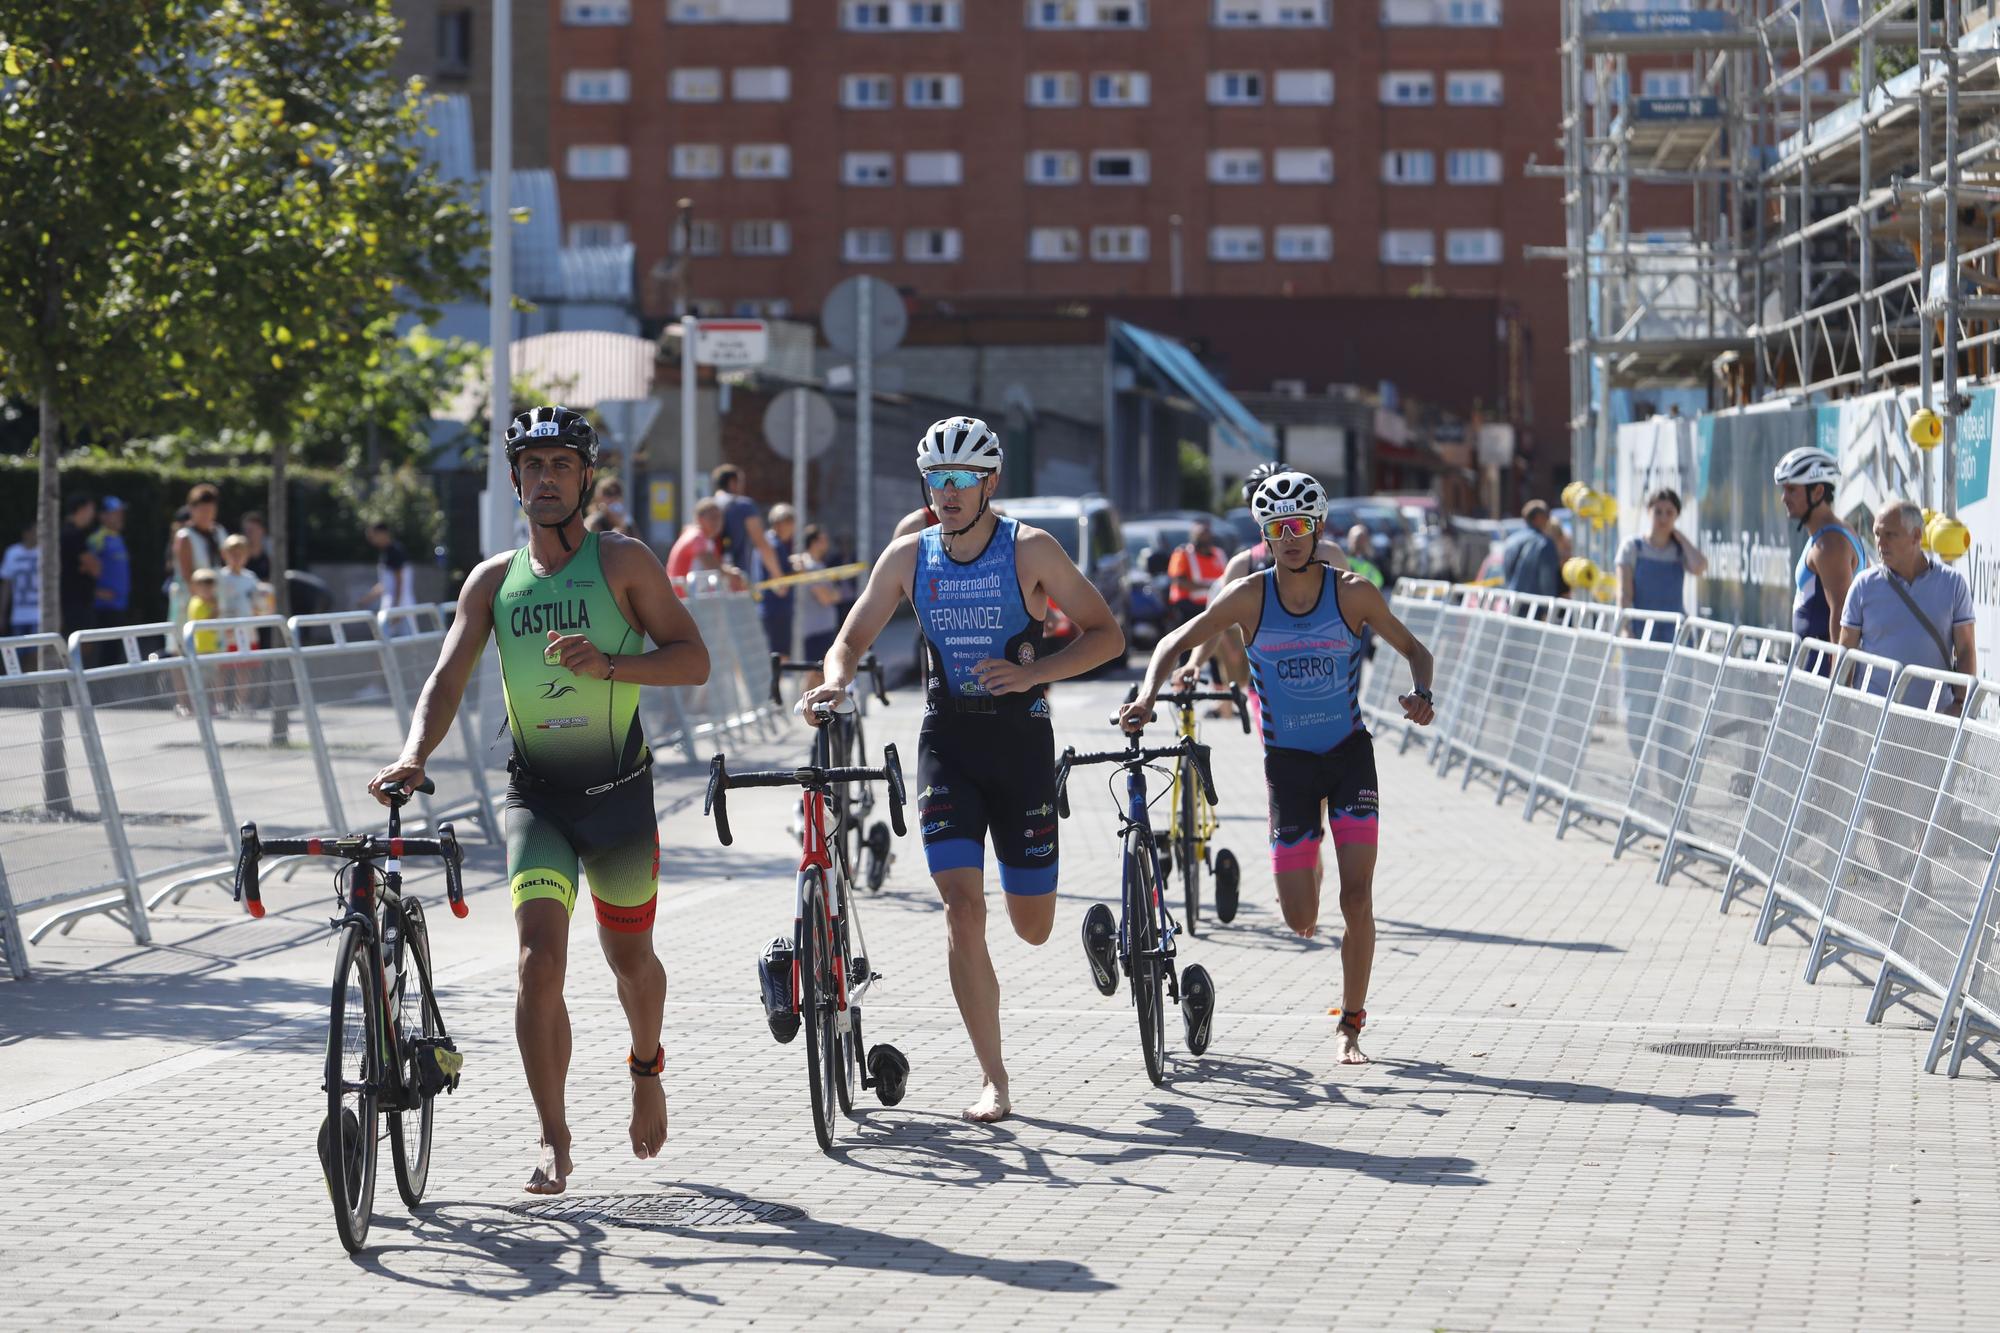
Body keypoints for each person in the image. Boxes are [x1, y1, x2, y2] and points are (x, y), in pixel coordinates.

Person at [369, 404, 710, 1196]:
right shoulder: (494, 582)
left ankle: (646, 1064)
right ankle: (555, 1138)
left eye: (561, 464)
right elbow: (448, 677)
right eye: (532, 465)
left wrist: (610, 668)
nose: (546, 478)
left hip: (619, 794)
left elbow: (691, 659)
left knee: (631, 960)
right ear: (515, 479)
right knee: (537, 965)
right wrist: (413, 753)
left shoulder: (623, 562)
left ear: (585, 477)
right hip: (538, 798)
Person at [796, 415, 1125, 1123]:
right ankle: (994, 1077)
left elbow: (1106, 635)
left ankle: (1102, 936)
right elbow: (851, 635)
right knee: (961, 909)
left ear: (989, 483)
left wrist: (1036, 675)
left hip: (1022, 745)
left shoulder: (1031, 549)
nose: (945, 492)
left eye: (960, 479)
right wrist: (835, 678)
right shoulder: (909, 556)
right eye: (936, 479)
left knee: (1032, 925)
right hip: (947, 742)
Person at [1130, 470, 1436, 1068]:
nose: (1289, 538)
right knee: (1300, 918)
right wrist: (1146, 696)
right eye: (1276, 529)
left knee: (1358, 899)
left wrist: (1421, 691)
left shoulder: (1352, 592)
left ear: (1317, 528)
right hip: (1289, 768)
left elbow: (1416, 649)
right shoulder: (1250, 596)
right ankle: (1311, 848)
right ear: (1263, 536)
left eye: (1299, 526)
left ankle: (1351, 1021)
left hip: (1350, 758)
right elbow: (1172, 642)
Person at [1185, 463, 1349, 729]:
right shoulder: (1242, 565)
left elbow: (1351, 616)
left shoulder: (1330, 555)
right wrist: (1194, 663)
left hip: (1323, 682)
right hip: (1267, 686)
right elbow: (1215, 622)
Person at [1839, 500, 1977, 711]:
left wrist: (1960, 704)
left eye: (1890, 535)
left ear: (1916, 536)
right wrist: (1840, 709)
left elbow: (1966, 649)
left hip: (1935, 717)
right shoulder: (1863, 585)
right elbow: (1845, 652)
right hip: (1875, 716)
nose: (1880, 543)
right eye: (1877, 534)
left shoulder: (1953, 584)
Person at [1774, 446, 1863, 648]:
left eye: (1792, 490)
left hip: (1821, 671)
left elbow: (1842, 616)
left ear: (1818, 491)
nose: (1784, 498)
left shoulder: (1830, 544)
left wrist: (1836, 679)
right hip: (1812, 666)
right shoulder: (1832, 533)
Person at [1616, 487, 1708, 640]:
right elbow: (1624, 594)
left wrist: (1680, 538)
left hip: (1675, 633)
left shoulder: (1679, 549)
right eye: (1658, 512)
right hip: (1642, 632)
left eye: (1669, 513)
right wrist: (1626, 629)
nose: (1663, 518)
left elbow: (1699, 567)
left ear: (1677, 515)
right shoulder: (1632, 547)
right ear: (1648, 511)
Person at [710, 464, 784, 586]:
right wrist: (777, 576)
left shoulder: (708, 507)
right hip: (739, 578)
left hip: (714, 578)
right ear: (733, 482)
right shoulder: (744, 505)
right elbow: (760, 541)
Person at [792, 523, 843, 684]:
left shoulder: (818, 565)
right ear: (814, 542)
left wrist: (832, 594)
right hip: (814, 630)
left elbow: (837, 595)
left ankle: (812, 709)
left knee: (820, 674)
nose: (827, 543)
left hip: (823, 628)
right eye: (823, 539)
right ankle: (803, 709)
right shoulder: (808, 566)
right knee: (814, 673)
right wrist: (831, 594)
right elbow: (826, 597)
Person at [1166, 519, 1227, 631]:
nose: (1204, 537)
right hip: (1188, 609)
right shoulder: (1182, 553)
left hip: (1213, 606)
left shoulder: (1219, 554)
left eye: (1206, 533)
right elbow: (1179, 583)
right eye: (1200, 534)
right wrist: (1212, 587)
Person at [58, 493, 102, 639]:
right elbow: (95, 569)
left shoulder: (71, 533)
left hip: (76, 600)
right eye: (91, 510)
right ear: (81, 509)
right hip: (75, 601)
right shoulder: (73, 534)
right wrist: (88, 566)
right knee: (81, 644)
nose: (93, 515)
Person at [1500, 500, 1562, 599]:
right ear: (1539, 517)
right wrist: (1548, 607)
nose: (1548, 520)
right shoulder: (1544, 543)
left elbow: (1506, 575)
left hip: (1513, 603)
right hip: (1534, 606)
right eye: (1547, 517)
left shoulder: (1511, 540)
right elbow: (1547, 580)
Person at [759, 502, 797, 657]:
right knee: (779, 657)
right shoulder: (774, 545)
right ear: (782, 524)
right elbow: (780, 585)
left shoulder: (769, 542)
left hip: (770, 608)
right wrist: (798, 571)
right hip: (777, 610)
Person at [90, 497, 132, 634]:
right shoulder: (97, 538)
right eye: (116, 513)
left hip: (121, 605)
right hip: (104, 606)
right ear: (103, 516)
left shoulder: (118, 537)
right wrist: (95, 592)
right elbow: (84, 570)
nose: (121, 517)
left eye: (121, 513)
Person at [666, 497, 725, 582]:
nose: (717, 522)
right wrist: (732, 574)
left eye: (719, 517)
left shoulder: (706, 539)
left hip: (688, 591)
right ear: (700, 519)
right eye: (713, 518)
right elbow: (713, 567)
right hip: (682, 592)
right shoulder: (696, 536)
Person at [365, 522, 416, 613]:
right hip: (391, 605)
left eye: (374, 535)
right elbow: (385, 583)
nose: (371, 539)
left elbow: (400, 581)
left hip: (400, 605)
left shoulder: (396, 552)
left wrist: (397, 607)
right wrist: (366, 599)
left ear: (383, 533)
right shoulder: (385, 553)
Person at [3, 522, 39, 636]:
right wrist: (2, 613)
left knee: (37, 652)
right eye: (34, 532)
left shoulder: (46, 552)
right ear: (26, 533)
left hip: (40, 615)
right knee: (19, 652)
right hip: (18, 615)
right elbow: (6, 584)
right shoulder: (12, 553)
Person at [186, 570, 223, 655]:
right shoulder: (196, 604)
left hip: (213, 647)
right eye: (203, 587)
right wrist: (215, 611)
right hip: (201, 649)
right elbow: (206, 624)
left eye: (210, 587)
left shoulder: (209, 603)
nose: (207, 590)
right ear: (194, 587)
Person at [1344, 524, 1385, 589]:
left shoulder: (1376, 561)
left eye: (1361, 539)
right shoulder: (1343, 559)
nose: (1359, 543)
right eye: (1356, 540)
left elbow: (1381, 581)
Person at [239, 511, 273, 581]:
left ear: (262, 531)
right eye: (246, 531)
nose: (248, 534)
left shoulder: (269, 560)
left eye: (251, 531)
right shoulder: (239, 560)